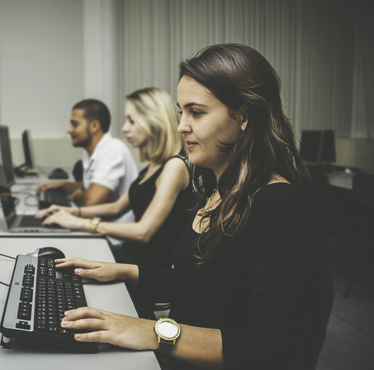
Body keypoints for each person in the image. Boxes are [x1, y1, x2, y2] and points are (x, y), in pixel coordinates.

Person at [54, 44, 325, 370]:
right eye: (182, 111)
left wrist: (151, 332)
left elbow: (272, 346)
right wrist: (123, 271)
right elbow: (200, 284)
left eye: (196, 112)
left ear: (243, 116)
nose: (182, 125)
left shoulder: (279, 207)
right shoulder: (216, 188)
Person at [37, 88, 193, 268]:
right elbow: (116, 208)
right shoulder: (152, 167)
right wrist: (70, 212)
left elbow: (144, 232)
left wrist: (81, 223)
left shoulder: (174, 166)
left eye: (132, 121)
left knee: (60, 266)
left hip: (141, 266)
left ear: (155, 122)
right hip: (127, 253)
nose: (125, 128)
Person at [36, 99, 138, 222]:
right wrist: (60, 186)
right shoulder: (92, 152)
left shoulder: (112, 150)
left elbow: (91, 203)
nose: (69, 130)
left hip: (116, 238)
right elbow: (89, 184)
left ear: (94, 126)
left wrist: (78, 196)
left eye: (75, 124)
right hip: (101, 228)